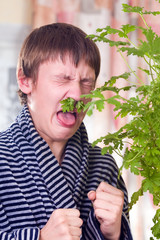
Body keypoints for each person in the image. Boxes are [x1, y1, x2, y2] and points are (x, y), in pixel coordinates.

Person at [0, 23, 132, 240]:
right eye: (63, 78)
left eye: (86, 82)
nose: (77, 95)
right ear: (25, 80)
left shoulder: (105, 167)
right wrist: (39, 238)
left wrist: (114, 234)